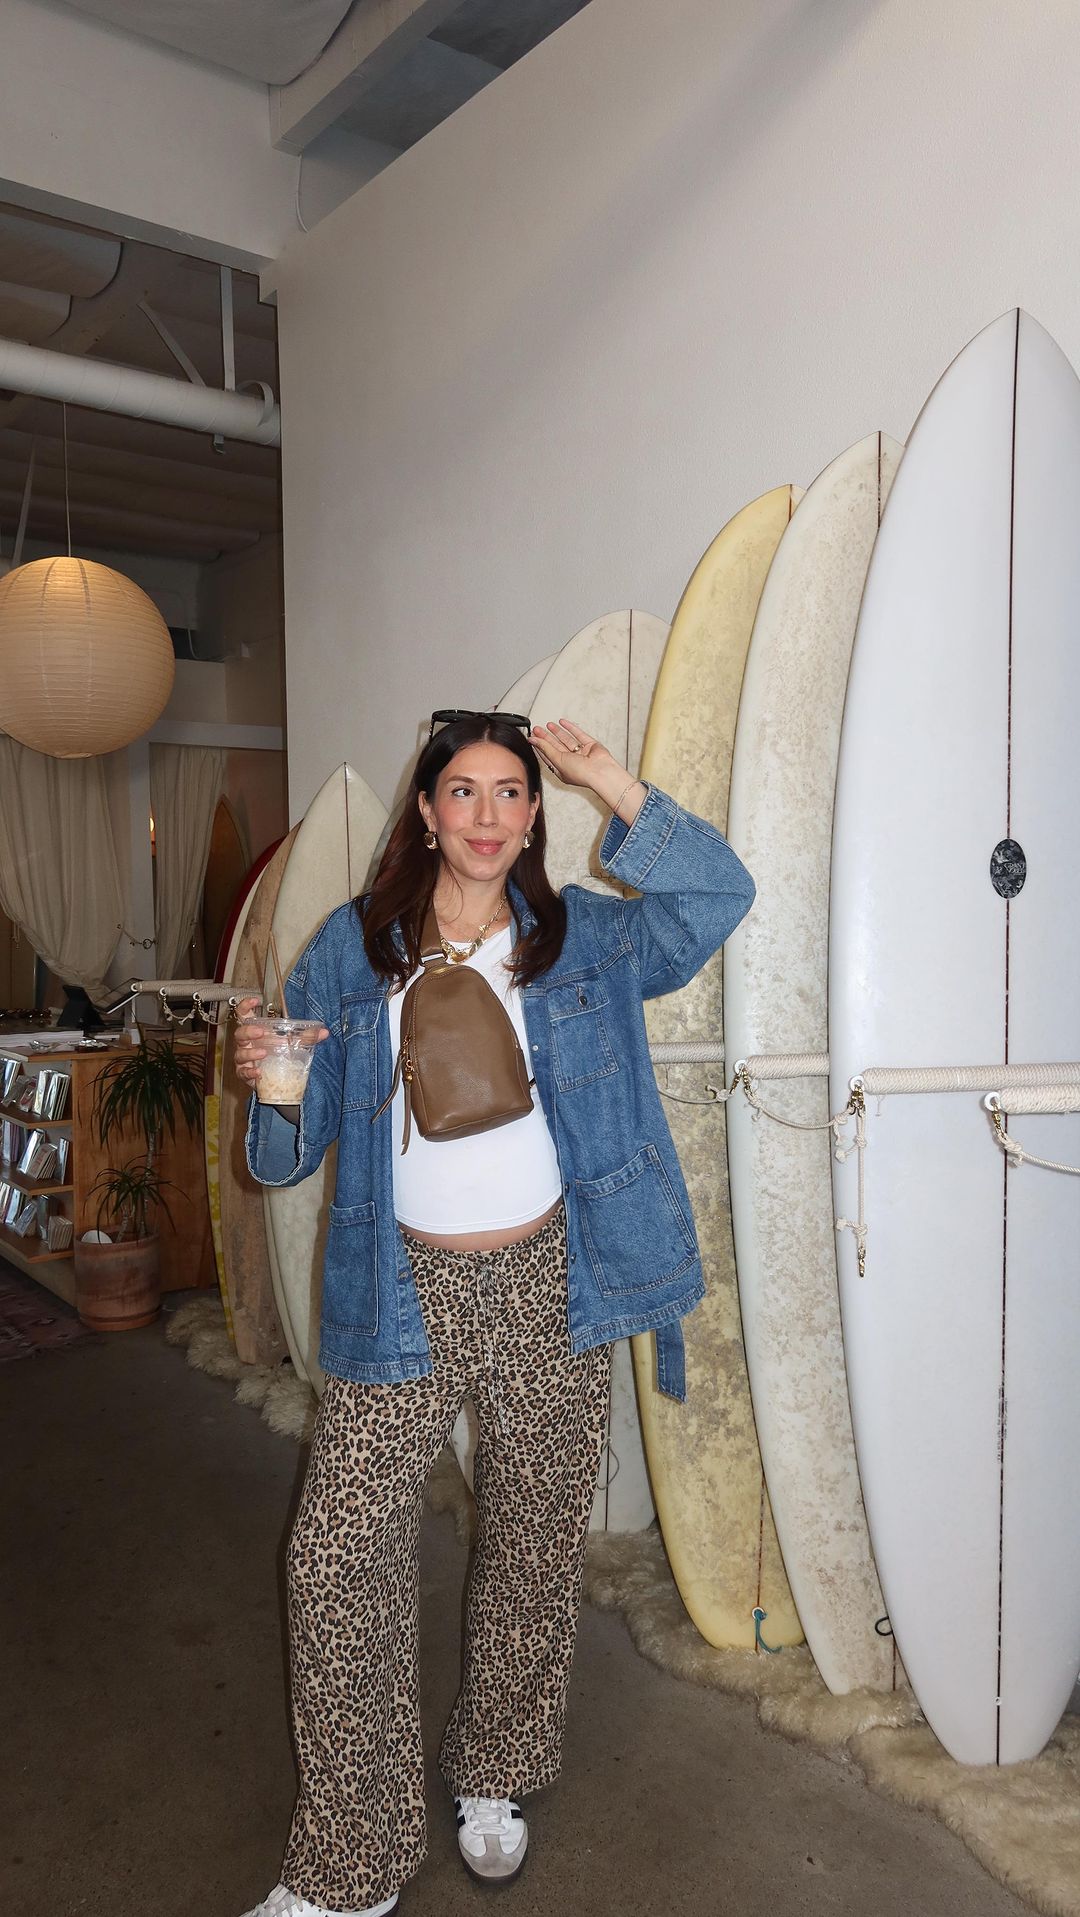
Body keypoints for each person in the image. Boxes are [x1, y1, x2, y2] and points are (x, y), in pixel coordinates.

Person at [233, 711, 755, 1917]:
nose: (485, 814)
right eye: (461, 790)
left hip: (549, 1281)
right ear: (426, 812)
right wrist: (273, 1081)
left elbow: (716, 899)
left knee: (533, 1540)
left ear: (532, 816)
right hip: (396, 1289)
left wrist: (609, 779)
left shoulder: (582, 940)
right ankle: (353, 1861)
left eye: (510, 792)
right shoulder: (354, 949)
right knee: (334, 1557)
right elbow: (285, 1154)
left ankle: (495, 1774)